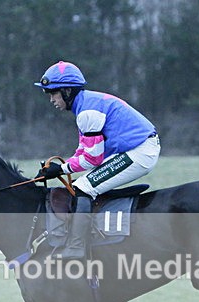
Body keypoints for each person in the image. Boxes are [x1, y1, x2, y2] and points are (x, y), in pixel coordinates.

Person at [35, 60, 160, 259]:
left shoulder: (87, 112)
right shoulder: (85, 105)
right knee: (79, 184)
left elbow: (91, 160)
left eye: (53, 93)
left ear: (67, 91)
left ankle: (76, 248)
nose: (51, 99)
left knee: (84, 188)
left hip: (140, 151)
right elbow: (83, 151)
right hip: (133, 148)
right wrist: (59, 168)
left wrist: (61, 170)